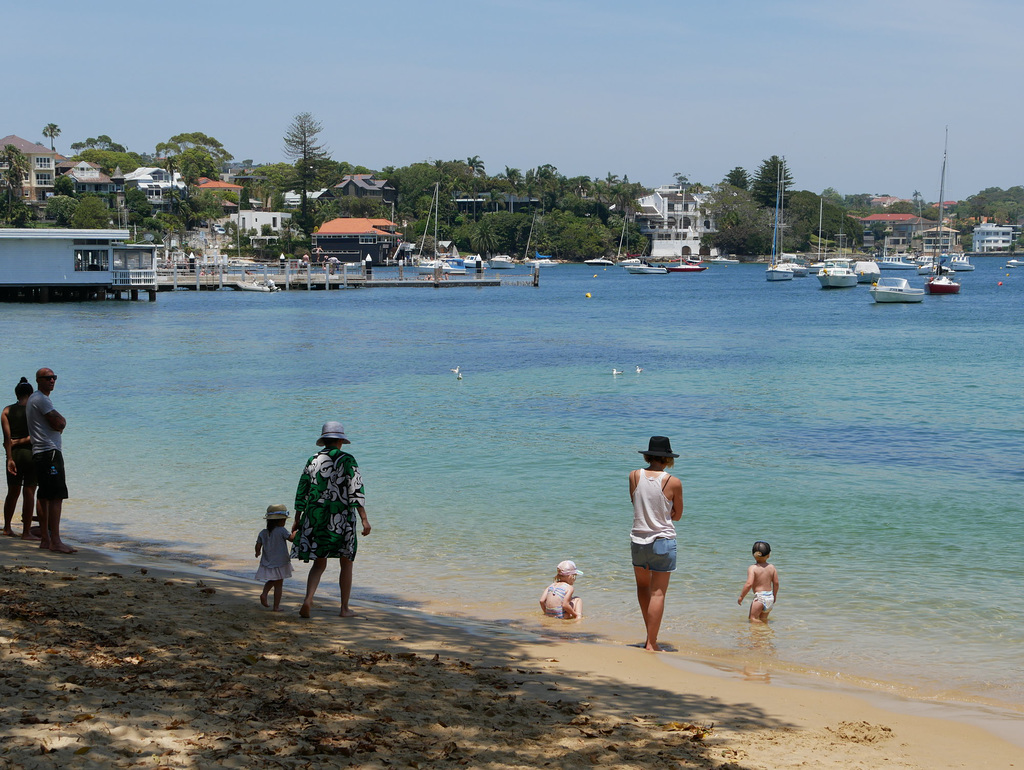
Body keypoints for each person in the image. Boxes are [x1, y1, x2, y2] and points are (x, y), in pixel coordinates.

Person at [291, 421, 371, 618]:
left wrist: (297, 518)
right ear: (341, 440)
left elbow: (302, 490)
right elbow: (356, 490)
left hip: (315, 516)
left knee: (319, 563)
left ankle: (308, 598)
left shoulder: (313, 460)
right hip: (341, 517)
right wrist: (364, 519)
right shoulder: (348, 460)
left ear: (324, 440)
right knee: (346, 562)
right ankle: (344, 609)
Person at [629, 436, 683, 651]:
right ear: (667, 459)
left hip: (638, 539)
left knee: (643, 587)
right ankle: (652, 642)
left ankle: (649, 635)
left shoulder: (634, 476)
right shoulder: (673, 481)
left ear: (647, 455)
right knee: (658, 593)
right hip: (663, 539)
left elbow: (635, 501)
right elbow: (677, 515)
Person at [26, 367, 74, 554]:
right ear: (38, 380)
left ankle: (46, 539)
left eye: (53, 378)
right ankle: (55, 540)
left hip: (40, 453)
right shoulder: (40, 399)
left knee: (44, 495)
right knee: (56, 497)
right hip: (49, 452)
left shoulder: (36, 399)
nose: (52, 381)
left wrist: (58, 425)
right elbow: (60, 423)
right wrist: (61, 424)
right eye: (47, 378)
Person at [3, 377, 39, 540]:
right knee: (29, 491)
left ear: (16, 394)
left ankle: (8, 527)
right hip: (32, 454)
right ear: (31, 394)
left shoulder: (6, 411)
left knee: (13, 492)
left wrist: (9, 457)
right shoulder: (35, 410)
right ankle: (26, 532)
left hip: (14, 456)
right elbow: (36, 437)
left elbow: (6, 439)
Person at [255, 504, 295, 612]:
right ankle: (275, 606)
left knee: (272, 580)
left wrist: (257, 552)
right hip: (280, 561)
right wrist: (296, 533)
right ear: (280, 521)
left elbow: (258, 544)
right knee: (278, 584)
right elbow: (291, 539)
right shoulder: (281, 530)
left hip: (268, 561)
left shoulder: (263, 532)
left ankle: (265, 594)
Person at [738, 541, 780, 623]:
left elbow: (749, 584)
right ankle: (763, 633)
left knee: (752, 619)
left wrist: (741, 597)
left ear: (753, 555)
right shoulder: (772, 567)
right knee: (763, 619)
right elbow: (776, 583)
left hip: (760, 598)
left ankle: (759, 632)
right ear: (768, 555)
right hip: (770, 597)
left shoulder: (752, 568)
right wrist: (774, 596)